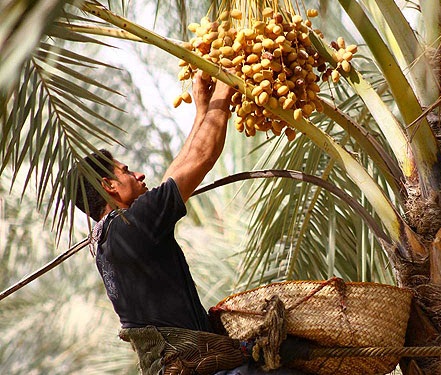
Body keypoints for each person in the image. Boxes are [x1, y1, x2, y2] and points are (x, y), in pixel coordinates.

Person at [73, 73, 307, 375]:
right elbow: (202, 157)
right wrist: (227, 80)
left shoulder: (111, 238)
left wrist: (202, 112)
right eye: (127, 171)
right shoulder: (133, 223)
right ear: (109, 186)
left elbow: (176, 174)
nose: (140, 176)